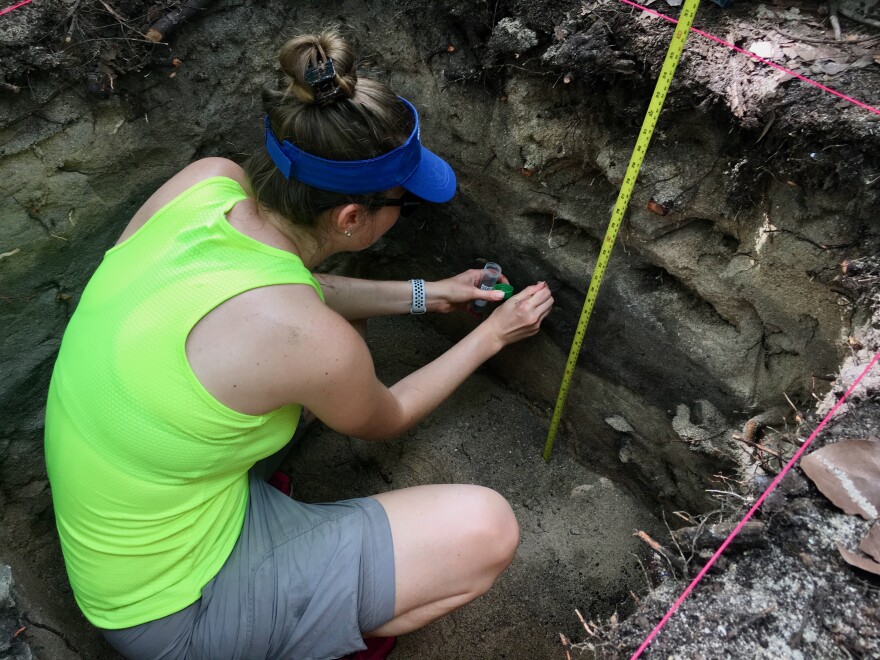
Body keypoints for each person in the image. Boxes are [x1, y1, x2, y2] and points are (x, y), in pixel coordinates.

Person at [44, 30, 554, 660]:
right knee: (487, 531)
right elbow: (384, 414)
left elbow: (290, 289)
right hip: (172, 615)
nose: (407, 210)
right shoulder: (307, 339)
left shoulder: (205, 185)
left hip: (126, 532)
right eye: (404, 204)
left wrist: (429, 293)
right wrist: (491, 335)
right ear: (350, 219)